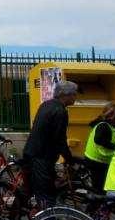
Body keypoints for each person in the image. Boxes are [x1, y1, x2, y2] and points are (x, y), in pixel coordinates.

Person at [23, 80, 77, 210]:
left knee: (29, 189)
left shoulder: (46, 105)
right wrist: (70, 160)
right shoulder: (60, 111)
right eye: (74, 94)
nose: (75, 97)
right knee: (46, 194)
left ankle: (16, 218)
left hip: (31, 151)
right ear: (65, 95)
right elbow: (60, 139)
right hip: (42, 157)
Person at [83, 102, 115, 193]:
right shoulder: (103, 126)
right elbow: (99, 140)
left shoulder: (110, 126)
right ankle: (93, 206)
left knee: (101, 186)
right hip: (96, 161)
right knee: (100, 188)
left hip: (101, 160)